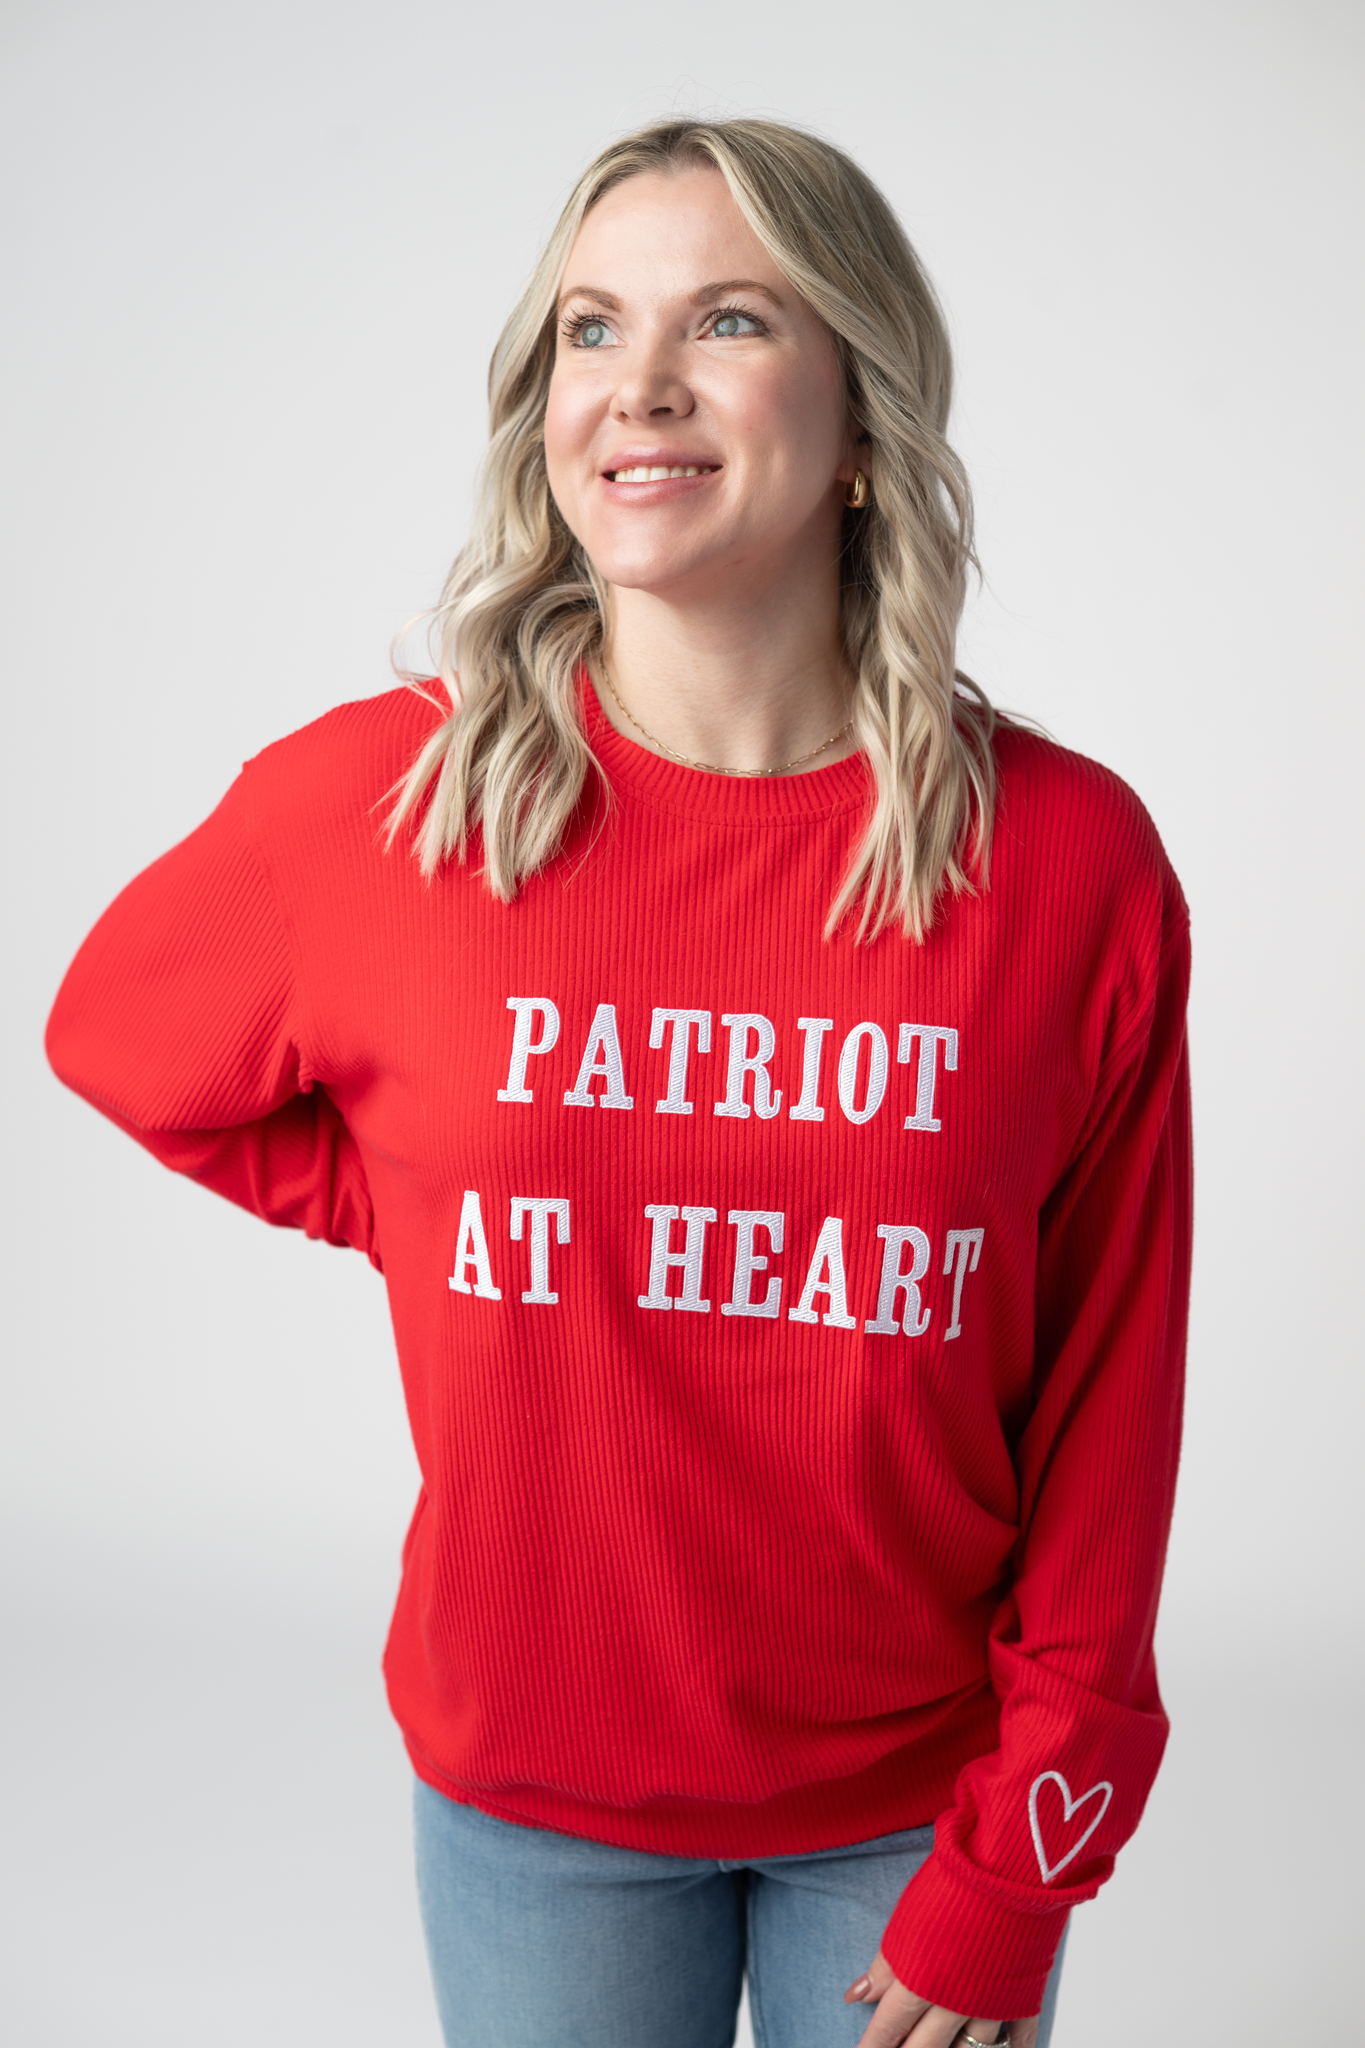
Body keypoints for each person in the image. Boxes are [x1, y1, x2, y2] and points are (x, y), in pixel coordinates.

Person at [45, 118, 1192, 2048]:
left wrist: (1029, 1856)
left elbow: (1110, 1400)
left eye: (725, 319)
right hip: (536, 1800)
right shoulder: (379, 805)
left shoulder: (1067, 863)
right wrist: (435, 1184)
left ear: (857, 424)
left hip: (925, 1807)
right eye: (589, 328)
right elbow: (120, 1044)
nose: (636, 386)